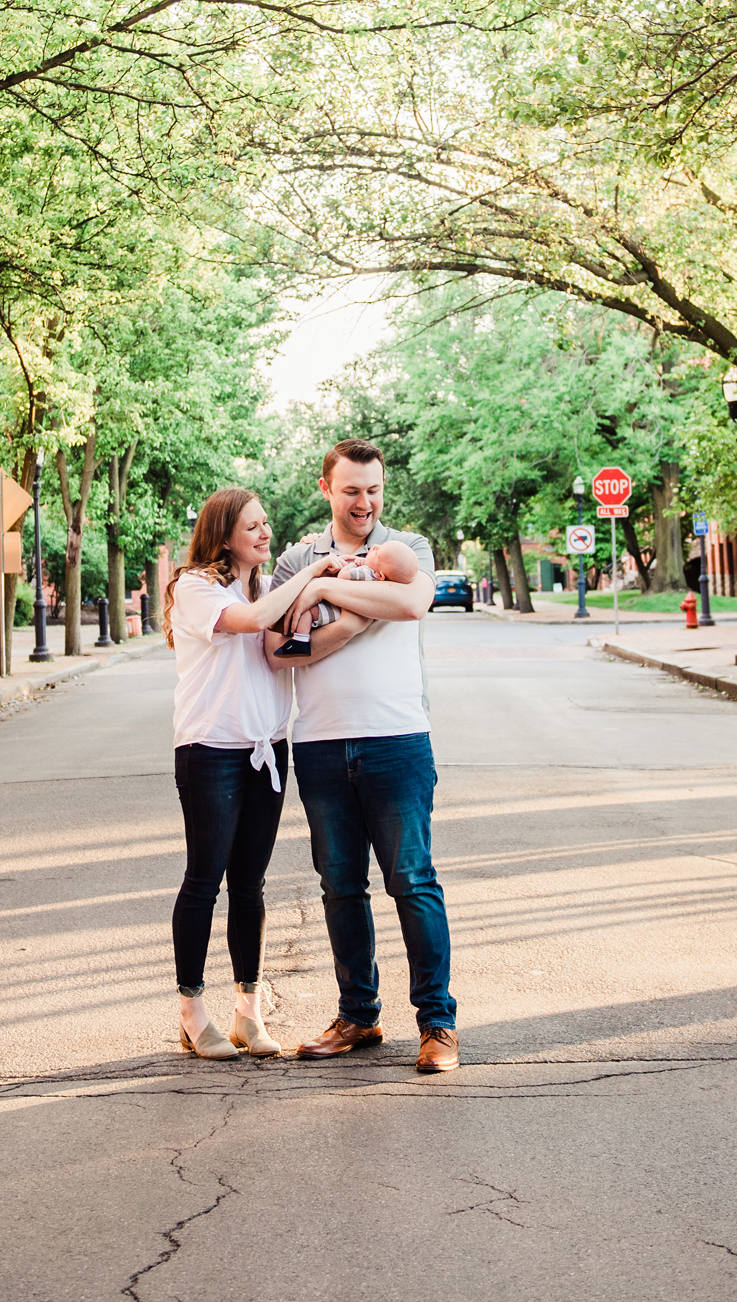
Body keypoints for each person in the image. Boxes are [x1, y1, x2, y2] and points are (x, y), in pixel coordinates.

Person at [266, 439, 459, 1074]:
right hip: (320, 743)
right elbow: (279, 650)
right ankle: (359, 1015)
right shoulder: (298, 557)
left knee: (413, 881)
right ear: (327, 489)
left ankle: (437, 1024)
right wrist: (353, 618)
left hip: (398, 739)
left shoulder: (410, 549)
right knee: (340, 886)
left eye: (374, 489)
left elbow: (412, 603)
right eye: (352, 491)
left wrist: (325, 599)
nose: (365, 503)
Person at [164, 486, 338, 1060]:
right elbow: (253, 621)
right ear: (224, 535)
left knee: (251, 884)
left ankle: (247, 1011)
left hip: (268, 748)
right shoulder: (195, 588)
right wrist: (312, 573)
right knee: (204, 881)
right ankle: (192, 1012)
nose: (265, 533)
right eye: (253, 527)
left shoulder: (263, 584)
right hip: (210, 750)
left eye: (267, 525)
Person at [276, 538, 420, 657]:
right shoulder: (383, 581)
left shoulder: (367, 572)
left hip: (334, 610)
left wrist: (351, 565)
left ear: (380, 576)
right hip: (338, 611)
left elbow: (343, 576)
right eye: (379, 546)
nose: (375, 546)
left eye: (377, 553)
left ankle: (300, 641)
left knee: (306, 612)